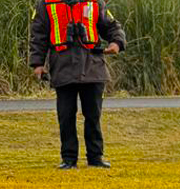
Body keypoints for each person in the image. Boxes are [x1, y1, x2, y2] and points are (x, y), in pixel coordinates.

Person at [29, 0, 126, 169]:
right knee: (66, 116)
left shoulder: (95, 2)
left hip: (93, 66)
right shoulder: (46, 4)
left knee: (93, 115)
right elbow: (38, 35)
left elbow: (111, 26)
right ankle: (68, 159)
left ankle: (96, 158)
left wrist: (116, 42)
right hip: (62, 67)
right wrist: (37, 64)